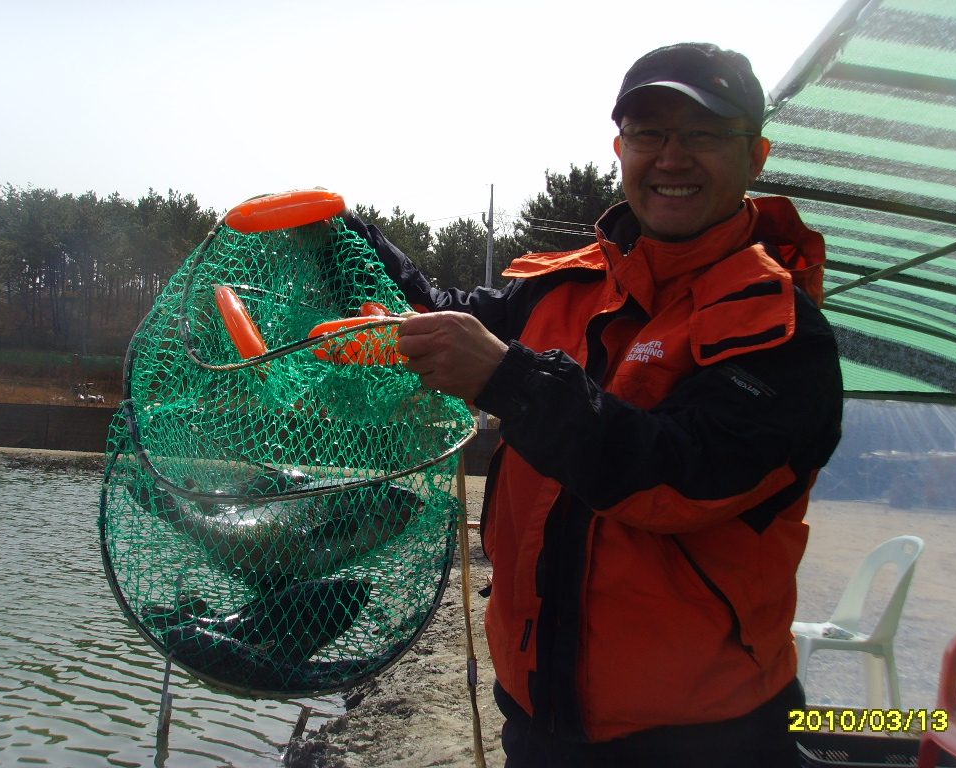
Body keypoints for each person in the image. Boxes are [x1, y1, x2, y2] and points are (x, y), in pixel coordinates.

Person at [344, 42, 843, 768]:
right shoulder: (558, 287)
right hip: (537, 723)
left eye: (703, 133)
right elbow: (433, 315)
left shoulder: (784, 328)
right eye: (649, 133)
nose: (671, 157)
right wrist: (347, 239)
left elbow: (684, 477)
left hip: (710, 740)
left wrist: (509, 379)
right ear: (620, 149)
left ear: (756, 156)